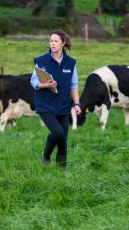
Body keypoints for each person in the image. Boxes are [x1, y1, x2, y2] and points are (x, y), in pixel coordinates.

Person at [30, 29, 81, 168]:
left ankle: (61, 174)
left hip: (63, 105)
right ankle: (46, 156)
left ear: (63, 43)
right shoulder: (41, 61)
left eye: (56, 41)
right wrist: (45, 84)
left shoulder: (71, 63)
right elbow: (33, 82)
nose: (52, 44)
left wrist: (77, 104)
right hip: (45, 104)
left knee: (63, 140)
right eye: (51, 41)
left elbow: (74, 85)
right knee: (58, 134)